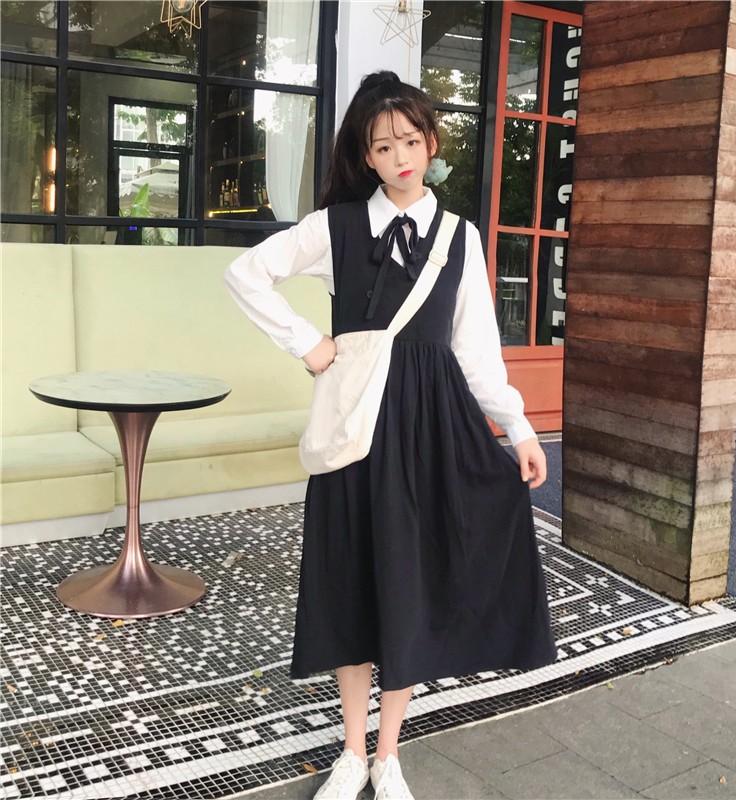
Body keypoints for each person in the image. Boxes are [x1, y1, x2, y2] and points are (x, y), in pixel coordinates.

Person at [223, 70, 558, 800]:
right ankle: (351, 752)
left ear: (431, 142)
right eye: (383, 146)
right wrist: (310, 344)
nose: (400, 156)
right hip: (357, 430)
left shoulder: (461, 238)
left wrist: (519, 429)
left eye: (410, 139)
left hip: (431, 431)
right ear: (366, 156)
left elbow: (477, 352)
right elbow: (246, 273)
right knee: (351, 581)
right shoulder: (337, 227)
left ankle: (388, 755)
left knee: (410, 583)